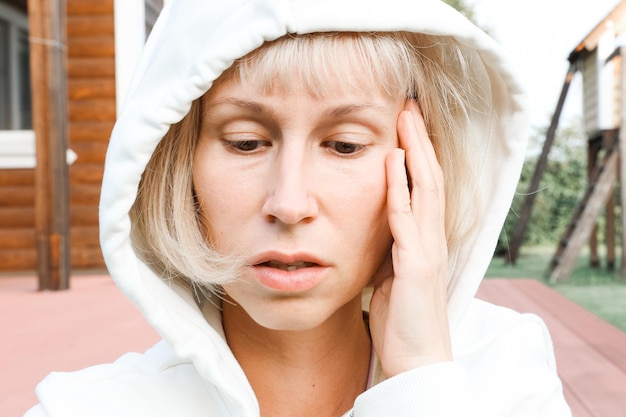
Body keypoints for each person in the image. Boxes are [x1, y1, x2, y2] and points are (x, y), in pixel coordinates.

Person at [25, 0, 572, 416]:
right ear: (176, 167)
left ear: (420, 167)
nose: (289, 204)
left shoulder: (506, 375)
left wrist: (419, 379)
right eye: (245, 142)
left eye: (345, 145)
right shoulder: (84, 408)